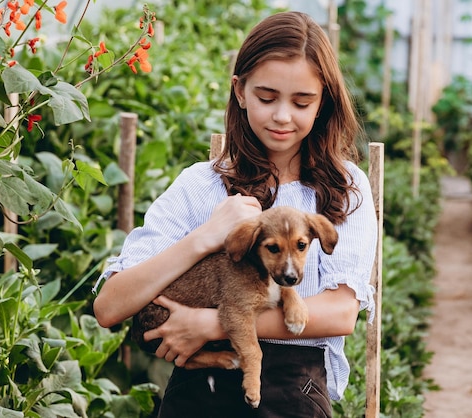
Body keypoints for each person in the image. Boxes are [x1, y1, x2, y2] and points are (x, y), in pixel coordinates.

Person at [93, 10, 377, 418]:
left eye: (302, 102)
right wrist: (204, 238)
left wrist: (212, 324)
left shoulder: (343, 188)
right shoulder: (200, 185)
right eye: (266, 97)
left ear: (323, 102)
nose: (282, 115)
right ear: (240, 92)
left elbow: (341, 313)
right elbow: (109, 307)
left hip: (292, 394)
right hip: (196, 397)